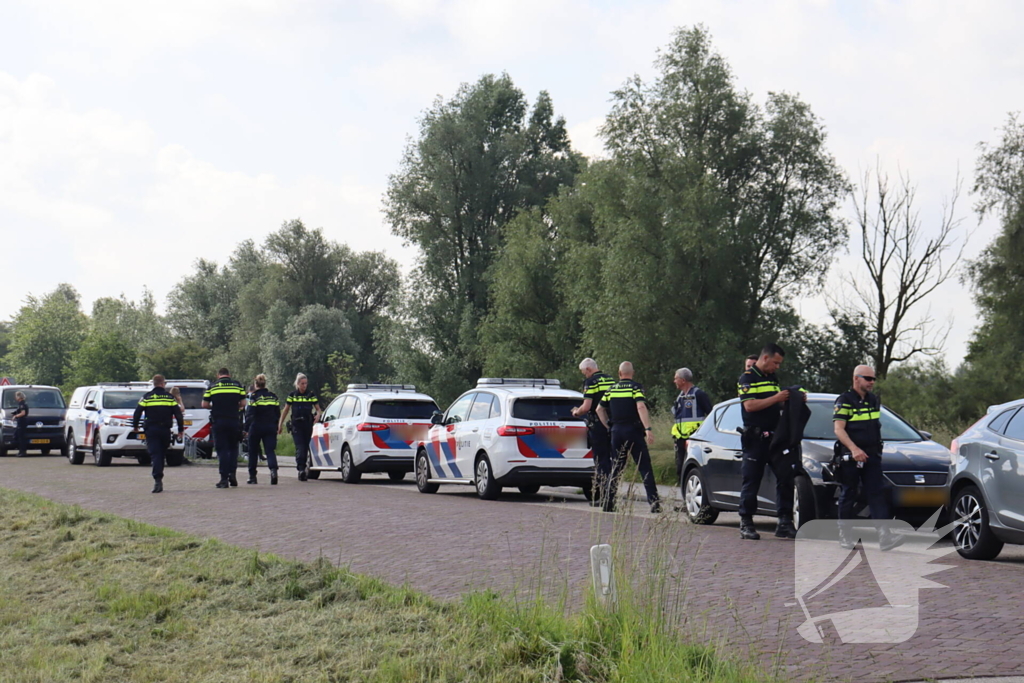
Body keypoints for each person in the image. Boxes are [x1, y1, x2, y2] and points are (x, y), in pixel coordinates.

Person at [737, 343, 806, 541]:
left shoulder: (771, 378)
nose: (777, 367)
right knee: (752, 481)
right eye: (775, 362)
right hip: (755, 439)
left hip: (775, 439)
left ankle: (784, 522)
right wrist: (777, 398)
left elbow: (777, 404)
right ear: (765, 358)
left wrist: (793, 399)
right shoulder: (747, 378)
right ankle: (746, 523)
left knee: (786, 478)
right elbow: (750, 406)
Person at [834, 365, 902, 551]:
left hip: (872, 454)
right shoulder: (845, 400)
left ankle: (884, 536)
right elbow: (839, 429)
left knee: (877, 493)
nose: (872, 382)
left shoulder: (873, 400)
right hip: (852, 455)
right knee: (848, 493)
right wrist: (854, 449)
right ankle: (845, 534)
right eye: (868, 378)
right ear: (856, 378)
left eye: (873, 379)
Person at [596, 361, 662, 514]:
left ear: (619, 374)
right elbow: (640, 406)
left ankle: (608, 502)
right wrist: (648, 429)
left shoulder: (611, 389)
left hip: (616, 431)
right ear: (632, 373)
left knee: (616, 468)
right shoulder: (635, 388)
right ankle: (654, 503)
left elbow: (600, 408)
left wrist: (608, 425)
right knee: (644, 466)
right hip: (633, 430)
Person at [570, 358, 615, 507]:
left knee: (601, 461)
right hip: (612, 424)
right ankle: (612, 494)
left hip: (597, 425)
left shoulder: (591, 382)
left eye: (583, 372)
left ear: (588, 369)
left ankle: (603, 497)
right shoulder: (611, 380)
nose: (584, 375)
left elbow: (587, 406)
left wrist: (577, 412)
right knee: (612, 460)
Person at [132, 375, 185, 493]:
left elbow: (137, 412)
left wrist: (135, 426)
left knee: (155, 454)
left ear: (155, 384)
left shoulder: (147, 397)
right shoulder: (170, 398)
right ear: (162, 384)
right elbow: (178, 414)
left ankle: (157, 479)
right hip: (165, 430)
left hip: (151, 430)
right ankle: (159, 477)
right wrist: (181, 429)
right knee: (161, 453)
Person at [202, 368, 247, 489]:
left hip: (219, 421)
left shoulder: (212, 387)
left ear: (218, 375)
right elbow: (243, 403)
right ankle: (232, 474)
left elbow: (204, 404)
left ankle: (223, 479)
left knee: (222, 450)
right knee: (233, 448)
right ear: (229, 375)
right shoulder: (237, 385)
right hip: (233, 420)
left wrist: (215, 406)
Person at [670, 368, 712, 485]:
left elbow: (711, 414)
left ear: (683, 380)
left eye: (676, 378)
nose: (674, 381)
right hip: (680, 439)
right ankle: (684, 496)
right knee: (680, 468)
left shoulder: (699, 394)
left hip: (694, 438)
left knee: (692, 468)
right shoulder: (680, 397)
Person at [279, 373, 321, 481]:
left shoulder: (311, 395)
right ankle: (301, 469)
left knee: (305, 447)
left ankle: (303, 468)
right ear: (297, 384)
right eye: (302, 383)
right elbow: (286, 410)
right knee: (300, 447)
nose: (304, 386)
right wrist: (280, 424)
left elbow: (318, 409)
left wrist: (318, 415)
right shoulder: (292, 395)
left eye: (306, 383)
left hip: (307, 425)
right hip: (296, 425)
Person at [244, 374, 281, 485]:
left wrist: (246, 429)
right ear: (265, 384)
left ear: (256, 384)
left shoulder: (254, 397)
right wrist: (276, 425)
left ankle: (252, 476)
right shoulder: (273, 396)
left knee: (253, 452)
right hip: (270, 427)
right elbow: (277, 413)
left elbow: (250, 414)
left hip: (256, 427)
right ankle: (273, 471)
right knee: (270, 451)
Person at [12, 391, 29, 457]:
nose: (15, 397)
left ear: (19, 397)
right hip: (22, 422)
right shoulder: (23, 403)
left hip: (22, 422)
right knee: (19, 436)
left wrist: (15, 416)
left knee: (21, 437)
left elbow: (23, 413)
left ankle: (23, 452)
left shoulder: (21, 404)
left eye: (16, 396)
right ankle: (21, 451)